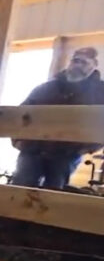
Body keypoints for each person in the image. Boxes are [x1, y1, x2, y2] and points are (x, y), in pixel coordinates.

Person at [10, 47, 104, 190]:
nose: (78, 65)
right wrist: (18, 140)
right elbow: (22, 113)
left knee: (54, 191)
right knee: (19, 188)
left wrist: (87, 148)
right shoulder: (45, 88)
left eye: (84, 62)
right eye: (75, 61)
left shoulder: (100, 94)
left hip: (66, 153)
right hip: (33, 149)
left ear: (94, 65)